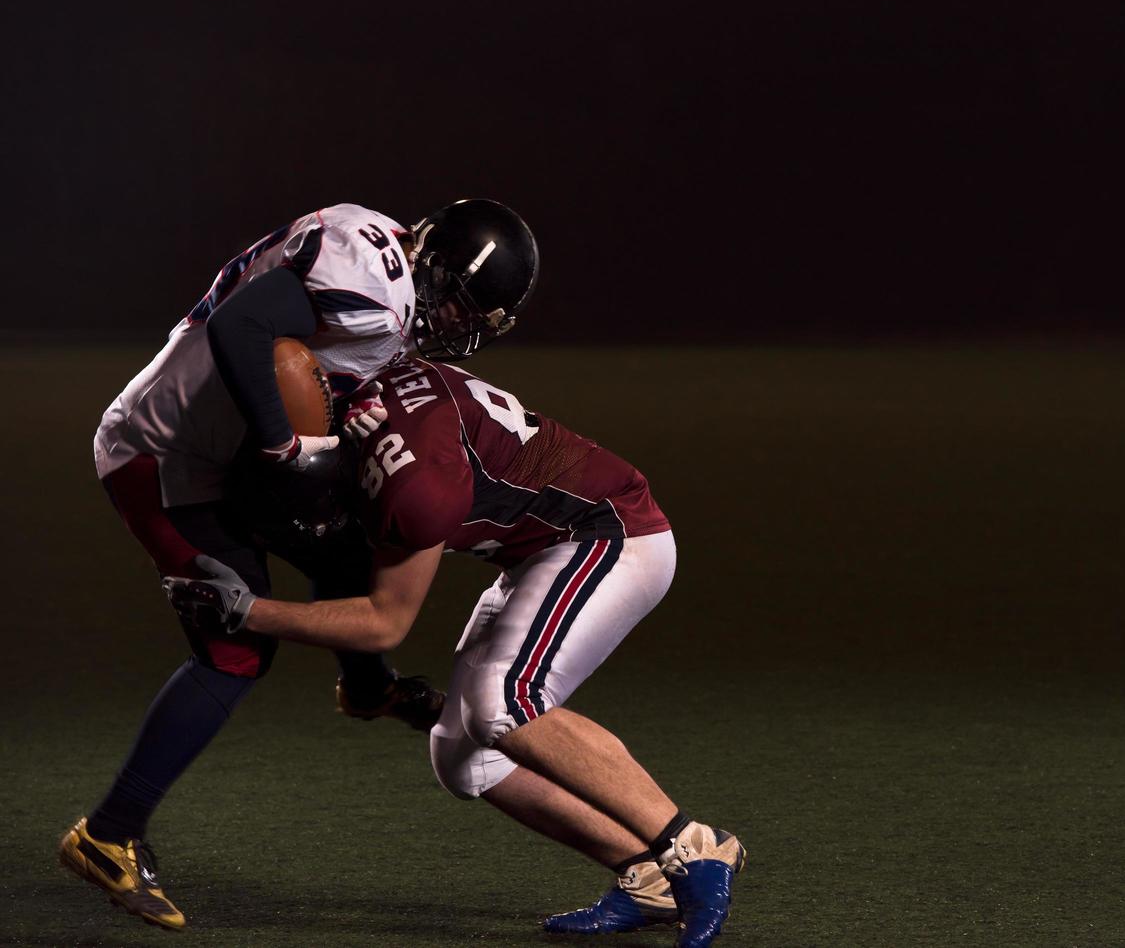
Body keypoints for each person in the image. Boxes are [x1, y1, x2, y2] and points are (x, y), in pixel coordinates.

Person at [60, 199, 540, 930]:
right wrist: (287, 446)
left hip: (220, 448)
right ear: (435, 271)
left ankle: (367, 687)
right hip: (165, 461)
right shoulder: (376, 291)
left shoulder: (372, 239)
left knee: (346, 537)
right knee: (236, 648)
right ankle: (108, 833)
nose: (458, 326)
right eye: (461, 306)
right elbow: (241, 325)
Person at [165, 356, 748, 948]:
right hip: (541, 550)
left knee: (506, 702)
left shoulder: (410, 479)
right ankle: (646, 874)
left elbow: (383, 620)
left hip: (609, 536)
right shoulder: (363, 394)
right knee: (464, 758)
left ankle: (694, 844)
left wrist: (248, 612)